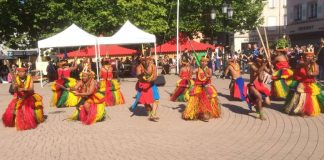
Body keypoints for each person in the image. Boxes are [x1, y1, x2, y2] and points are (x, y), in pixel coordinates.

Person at [2, 61, 45, 130]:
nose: (21, 73)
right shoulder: (15, 78)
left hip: (29, 95)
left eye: (23, 72)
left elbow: (31, 88)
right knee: (12, 109)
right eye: (20, 72)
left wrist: (25, 89)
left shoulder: (29, 78)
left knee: (28, 107)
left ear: (26, 72)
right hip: (18, 96)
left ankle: (31, 119)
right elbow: (14, 90)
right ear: (18, 72)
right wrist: (15, 87)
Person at [284, 46, 324, 116]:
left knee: (314, 95)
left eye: (311, 56)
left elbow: (316, 72)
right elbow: (303, 64)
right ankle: (299, 109)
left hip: (310, 83)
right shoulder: (300, 62)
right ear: (304, 56)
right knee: (299, 94)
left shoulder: (315, 64)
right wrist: (309, 63)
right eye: (307, 56)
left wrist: (311, 73)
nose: (309, 57)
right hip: (301, 82)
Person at [182, 57, 221, 122]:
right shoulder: (197, 69)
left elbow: (209, 76)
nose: (203, 63)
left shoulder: (209, 69)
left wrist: (205, 72)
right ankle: (192, 113)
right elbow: (191, 73)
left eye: (205, 62)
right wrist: (190, 67)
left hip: (206, 87)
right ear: (200, 62)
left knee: (208, 99)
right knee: (195, 100)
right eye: (202, 61)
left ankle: (206, 114)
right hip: (198, 87)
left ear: (207, 63)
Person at [131, 56, 160, 121]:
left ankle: (153, 114)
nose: (145, 62)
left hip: (151, 84)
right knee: (145, 102)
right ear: (141, 61)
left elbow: (155, 76)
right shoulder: (139, 67)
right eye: (143, 60)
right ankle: (151, 112)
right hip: (142, 86)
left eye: (147, 60)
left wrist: (151, 79)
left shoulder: (153, 66)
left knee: (156, 99)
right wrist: (142, 74)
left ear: (150, 60)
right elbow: (138, 76)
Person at [247, 55, 271, 120]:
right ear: (256, 60)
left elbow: (270, 72)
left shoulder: (263, 65)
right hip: (253, 85)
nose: (261, 61)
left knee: (268, 103)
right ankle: (261, 114)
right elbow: (258, 71)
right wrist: (265, 63)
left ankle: (258, 107)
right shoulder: (252, 66)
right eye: (259, 59)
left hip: (261, 85)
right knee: (259, 97)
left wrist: (271, 67)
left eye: (261, 59)